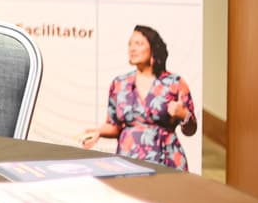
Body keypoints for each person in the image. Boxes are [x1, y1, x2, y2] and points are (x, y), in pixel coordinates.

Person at [79, 25, 196, 171]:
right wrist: (98, 132)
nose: (132, 48)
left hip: (166, 161)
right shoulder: (120, 83)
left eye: (139, 44)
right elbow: (114, 125)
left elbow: (191, 129)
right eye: (130, 44)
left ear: (153, 48)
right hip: (129, 160)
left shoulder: (174, 83)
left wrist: (183, 114)